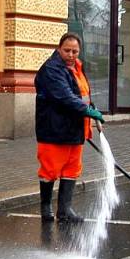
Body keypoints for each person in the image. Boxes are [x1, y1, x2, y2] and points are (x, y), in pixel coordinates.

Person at [34, 32, 104, 223]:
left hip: (75, 128)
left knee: (72, 169)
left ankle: (65, 211)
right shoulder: (51, 69)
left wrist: (92, 109)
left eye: (75, 51)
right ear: (59, 49)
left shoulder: (77, 68)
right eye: (67, 50)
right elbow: (64, 97)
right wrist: (88, 111)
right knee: (50, 169)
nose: (71, 55)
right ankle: (46, 208)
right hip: (54, 129)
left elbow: (82, 95)